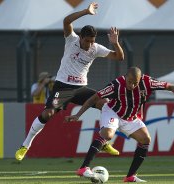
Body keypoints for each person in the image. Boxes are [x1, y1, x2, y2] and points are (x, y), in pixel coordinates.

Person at [15, 2, 124, 161]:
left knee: (106, 103)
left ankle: (104, 140)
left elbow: (119, 57)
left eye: (92, 41)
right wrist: (86, 12)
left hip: (81, 88)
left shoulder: (96, 48)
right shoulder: (71, 40)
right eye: (87, 41)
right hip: (63, 87)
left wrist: (115, 43)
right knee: (47, 114)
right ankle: (25, 146)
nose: (89, 45)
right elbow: (66, 21)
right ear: (81, 37)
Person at [66, 67, 174, 183]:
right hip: (113, 112)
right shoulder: (116, 85)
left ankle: (130, 177)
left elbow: (170, 86)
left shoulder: (148, 82)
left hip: (131, 118)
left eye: (136, 83)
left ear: (140, 79)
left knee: (145, 139)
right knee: (107, 134)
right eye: (130, 82)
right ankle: (83, 168)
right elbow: (94, 98)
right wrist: (78, 114)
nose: (132, 85)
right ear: (125, 77)